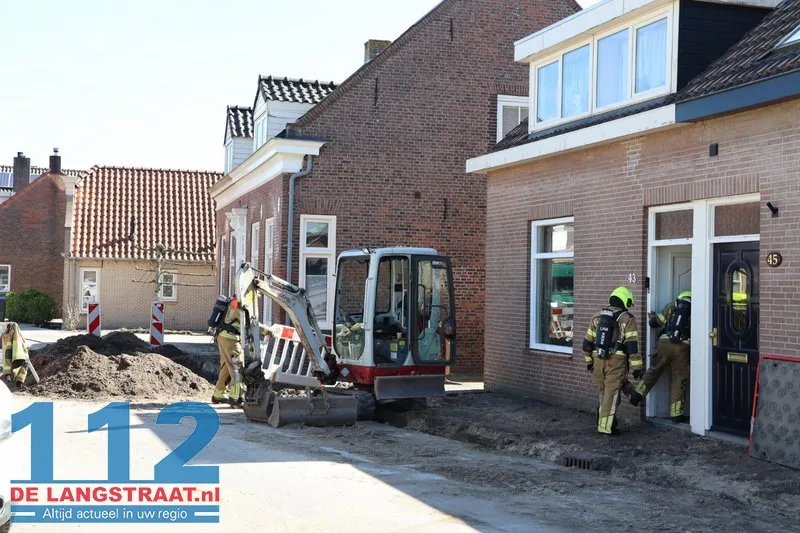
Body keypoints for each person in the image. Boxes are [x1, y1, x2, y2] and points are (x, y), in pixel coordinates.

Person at [583, 286, 642, 436]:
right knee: (612, 395)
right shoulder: (627, 318)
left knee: (605, 393)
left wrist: (589, 362)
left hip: (597, 360)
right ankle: (605, 428)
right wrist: (637, 367)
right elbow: (632, 345)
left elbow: (587, 343)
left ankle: (607, 422)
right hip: (616, 361)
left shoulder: (596, 316)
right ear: (625, 300)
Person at [629, 291, 691, 424]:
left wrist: (652, 317)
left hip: (664, 343)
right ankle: (676, 414)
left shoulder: (671, 306)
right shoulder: (696, 309)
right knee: (679, 379)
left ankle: (637, 393)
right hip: (682, 346)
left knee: (654, 370)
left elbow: (654, 323)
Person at [212, 297, 246, 406]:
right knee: (237, 365)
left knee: (227, 365)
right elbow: (251, 323)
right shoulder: (242, 304)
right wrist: (268, 331)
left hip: (222, 335)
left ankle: (219, 393)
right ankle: (236, 397)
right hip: (231, 338)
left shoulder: (234, 301)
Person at [1, 323, 29, 391]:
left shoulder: (5, 334)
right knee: (24, 365)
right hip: (18, 355)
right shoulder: (17, 336)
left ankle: (10, 377)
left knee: (9, 361)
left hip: (11, 355)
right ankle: (19, 382)